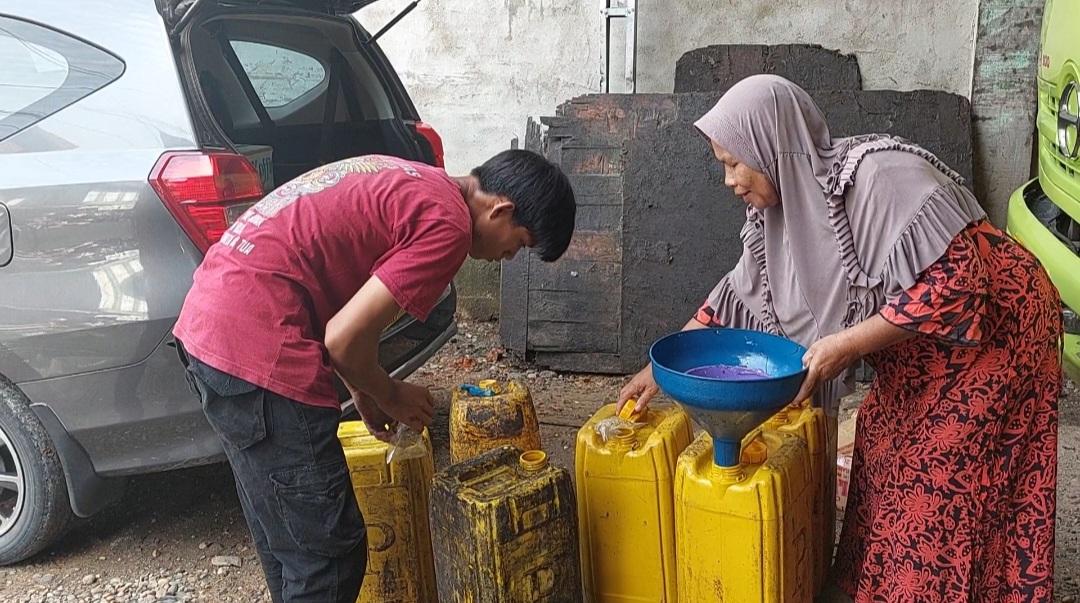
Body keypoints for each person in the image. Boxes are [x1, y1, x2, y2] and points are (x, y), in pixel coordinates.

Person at [617, 75, 1061, 602]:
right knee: (883, 446)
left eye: (734, 163)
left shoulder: (876, 178)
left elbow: (958, 284)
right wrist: (657, 371)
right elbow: (737, 296)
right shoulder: (778, 218)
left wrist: (845, 345)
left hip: (1001, 327)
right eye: (723, 165)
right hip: (923, 341)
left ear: (770, 145)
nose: (729, 180)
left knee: (940, 477)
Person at [173, 150, 576, 602]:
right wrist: (391, 393)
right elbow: (343, 338)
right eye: (519, 243)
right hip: (257, 344)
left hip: (207, 328)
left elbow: (345, 323)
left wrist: (364, 391)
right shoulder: (449, 226)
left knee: (289, 540)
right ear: (501, 209)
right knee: (328, 558)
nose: (507, 256)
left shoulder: (414, 179)